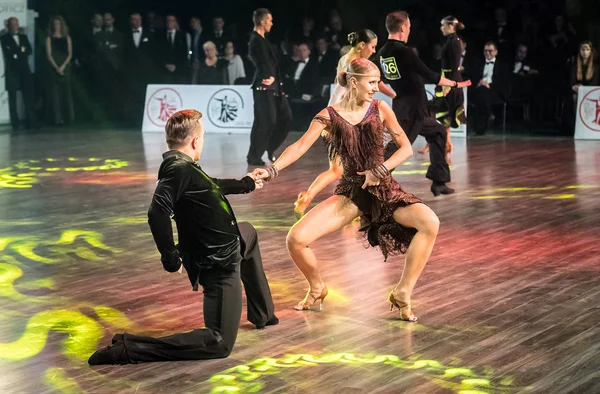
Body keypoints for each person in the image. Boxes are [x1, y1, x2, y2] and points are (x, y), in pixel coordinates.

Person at [255, 58, 440, 321]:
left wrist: (381, 170)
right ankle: (317, 287)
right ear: (354, 82)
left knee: (430, 223)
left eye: (378, 82)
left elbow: (406, 148)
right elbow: (299, 146)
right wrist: (272, 170)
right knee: (295, 239)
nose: (377, 87)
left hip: (384, 190)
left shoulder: (381, 108)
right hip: (351, 194)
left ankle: (402, 293)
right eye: (372, 82)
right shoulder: (329, 116)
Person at [88, 110, 278, 365]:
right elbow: (157, 212)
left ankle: (263, 314)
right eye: (203, 138)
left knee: (249, 234)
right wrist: (170, 257)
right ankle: (129, 349)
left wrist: (247, 183)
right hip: (218, 264)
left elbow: (212, 185)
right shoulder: (177, 170)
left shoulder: (185, 167)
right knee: (219, 342)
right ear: (195, 141)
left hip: (228, 242)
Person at [294, 29, 396, 218]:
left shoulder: (347, 59)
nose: (373, 51)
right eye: (372, 47)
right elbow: (366, 85)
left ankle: (308, 198)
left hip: (335, 116)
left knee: (336, 169)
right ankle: (350, 207)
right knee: (344, 168)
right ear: (362, 45)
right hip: (343, 119)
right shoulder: (355, 64)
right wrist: (392, 94)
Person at [376, 11, 470, 196]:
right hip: (413, 110)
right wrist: (456, 83)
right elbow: (429, 74)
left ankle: (439, 181)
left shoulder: (382, 53)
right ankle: (375, 183)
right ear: (403, 28)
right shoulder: (404, 52)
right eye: (409, 27)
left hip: (409, 107)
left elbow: (376, 75)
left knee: (438, 132)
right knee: (399, 148)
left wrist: (393, 93)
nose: (409, 30)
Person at [247, 8, 293, 166]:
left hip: (277, 86)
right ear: (262, 21)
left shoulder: (265, 40)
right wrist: (267, 75)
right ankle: (254, 155)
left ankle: (270, 147)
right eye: (270, 20)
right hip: (264, 86)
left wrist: (274, 77)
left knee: (286, 117)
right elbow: (258, 60)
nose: (272, 23)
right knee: (265, 121)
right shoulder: (255, 40)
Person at [420, 16, 467, 155]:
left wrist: (448, 86)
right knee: (442, 114)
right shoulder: (450, 41)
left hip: (450, 81)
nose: (441, 28)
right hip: (446, 79)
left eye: (443, 25)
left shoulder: (455, 42)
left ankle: (442, 143)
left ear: (451, 26)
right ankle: (446, 143)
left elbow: (453, 65)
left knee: (441, 112)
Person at [0, 17, 37, 131]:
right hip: (12, 71)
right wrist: (20, 50)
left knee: (28, 97)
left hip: (24, 70)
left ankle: (31, 122)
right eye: (12, 24)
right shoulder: (4, 38)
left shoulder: (23, 37)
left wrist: (17, 52)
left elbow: (29, 51)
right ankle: (15, 123)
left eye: (16, 23)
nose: (15, 25)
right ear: (8, 25)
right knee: (12, 97)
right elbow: (8, 52)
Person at [471, 42, 509, 136]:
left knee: (482, 94)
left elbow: (504, 83)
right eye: (485, 51)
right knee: (481, 92)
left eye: (490, 51)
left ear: (496, 52)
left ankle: (479, 127)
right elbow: (472, 78)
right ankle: (488, 114)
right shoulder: (478, 63)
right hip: (479, 90)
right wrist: (479, 83)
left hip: (494, 92)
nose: (487, 53)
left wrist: (489, 85)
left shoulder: (502, 65)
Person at [45, 15, 74, 126]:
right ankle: (57, 118)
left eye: (58, 24)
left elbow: (70, 53)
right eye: (55, 24)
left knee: (66, 93)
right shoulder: (49, 38)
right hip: (53, 67)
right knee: (55, 94)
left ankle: (69, 118)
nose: (56, 26)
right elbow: (49, 54)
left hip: (65, 66)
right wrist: (56, 67)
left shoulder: (67, 38)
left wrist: (63, 66)